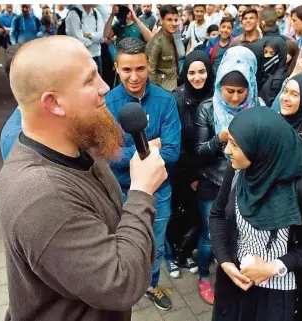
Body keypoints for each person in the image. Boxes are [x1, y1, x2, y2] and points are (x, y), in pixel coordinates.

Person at [0, 35, 166, 321]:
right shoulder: (41, 195)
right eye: (89, 81)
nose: (105, 87)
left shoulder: (79, 145)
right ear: (53, 103)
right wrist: (141, 192)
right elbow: (120, 284)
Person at [209, 106, 302, 321]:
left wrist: (273, 267)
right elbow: (217, 215)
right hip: (234, 281)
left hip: (276, 293)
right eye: (229, 141)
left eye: (235, 145)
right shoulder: (237, 172)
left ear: (262, 148)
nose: (227, 151)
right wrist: (225, 261)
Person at [105, 37, 181, 311]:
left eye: (140, 69)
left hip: (158, 191)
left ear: (149, 65)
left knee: (156, 246)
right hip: (120, 191)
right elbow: (108, 155)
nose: (134, 77)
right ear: (116, 68)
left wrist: (131, 153)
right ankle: (123, 289)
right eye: (127, 70)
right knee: (120, 244)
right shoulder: (106, 104)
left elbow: (172, 151)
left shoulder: (165, 101)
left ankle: (150, 284)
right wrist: (153, 145)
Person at [195, 46, 262, 304]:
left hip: (247, 183)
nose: (234, 98)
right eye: (229, 91)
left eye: (240, 91)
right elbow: (199, 152)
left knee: (241, 235)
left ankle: (232, 273)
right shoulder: (208, 109)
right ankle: (203, 275)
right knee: (211, 235)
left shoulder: (258, 107)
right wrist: (220, 138)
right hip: (214, 182)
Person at [171, 50, 215, 286]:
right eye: (191, 72)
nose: (197, 77)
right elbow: (176, 140)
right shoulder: (178, 98)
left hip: (209, 171)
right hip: (185, 170)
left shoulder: (216, 95)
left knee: (203, 217)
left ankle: (194, 251)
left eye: (202, 72)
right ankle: (180, 254)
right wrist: (191, 176)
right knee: (184, 213)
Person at [145, 5, 180, 92]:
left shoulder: (171, 37)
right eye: (169, 20)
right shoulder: (157, 42)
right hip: (163, 89)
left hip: (174, 86)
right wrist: (158, 93)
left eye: (175, 20)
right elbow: (151, 71)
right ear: (161, 21)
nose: (174, 23)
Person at [65, 5, 104, 75]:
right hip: (81, 59)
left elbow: (102, 37)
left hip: (97, 57)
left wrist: (89, 35)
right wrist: (95, 39)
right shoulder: (74, 14)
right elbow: (78, 41)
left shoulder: (96, 13)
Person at [258, 37, 288, 108]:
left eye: (272, 53)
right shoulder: (264, 72)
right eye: (265, 52)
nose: (267, 56)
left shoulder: (277, 79)